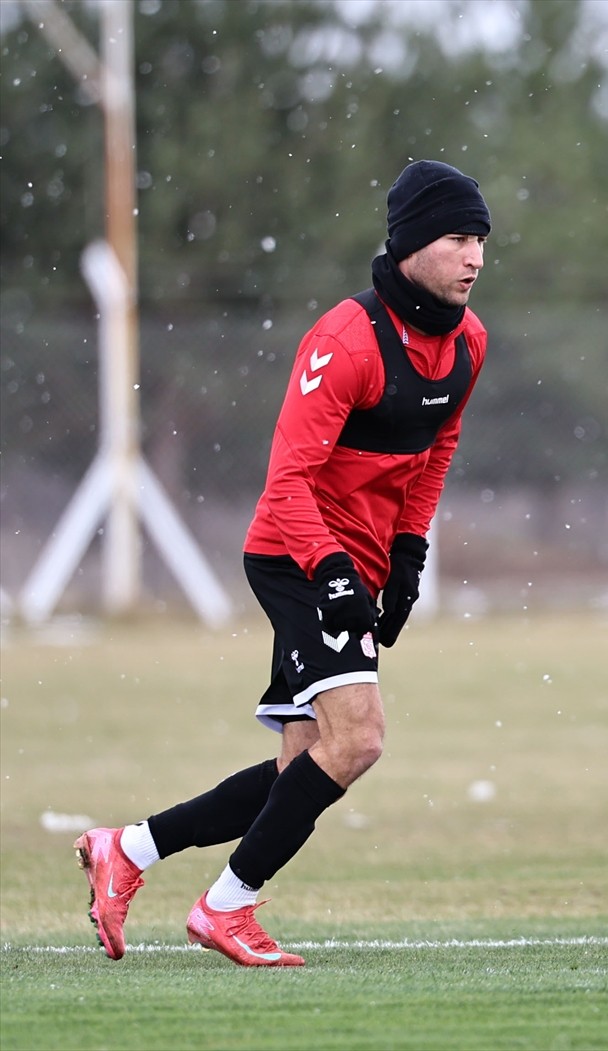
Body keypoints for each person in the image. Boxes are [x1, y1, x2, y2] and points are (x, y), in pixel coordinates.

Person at [73, 160, 492, 967]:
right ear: (408, 245)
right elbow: (288, 479)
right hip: (293, 552)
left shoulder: (469, 343)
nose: (474, 256)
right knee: (359, 739)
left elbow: (435, 451)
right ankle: (226, 907)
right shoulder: (346, 340)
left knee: (304, 766)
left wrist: (407, 554)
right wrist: (332, 570)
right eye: (456, 238)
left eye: (480, 240)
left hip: (360, 561)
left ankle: (127, 849)